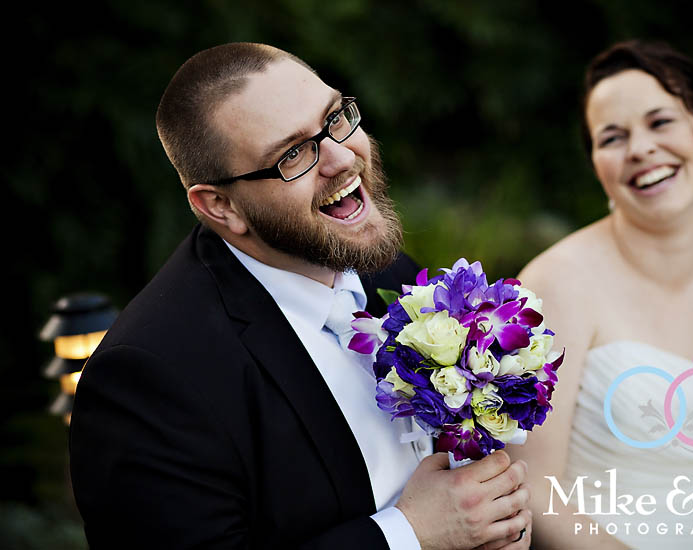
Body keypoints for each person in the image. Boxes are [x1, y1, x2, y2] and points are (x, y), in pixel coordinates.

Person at [69, 43, 532, 550]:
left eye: (335, 118)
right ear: (221, 206)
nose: (341, 157)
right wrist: (410, 534)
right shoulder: (148, 378)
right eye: (291, 155)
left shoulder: (387, 272)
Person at [509, 40, 693, 549]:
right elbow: (533, 489)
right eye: (613, 137)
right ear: (597, 165)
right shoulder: (556, 283)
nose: (640, 148)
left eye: (660, 122)